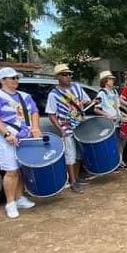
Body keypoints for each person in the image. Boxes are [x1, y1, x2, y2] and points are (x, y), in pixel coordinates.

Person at [0, 67, 40, 218]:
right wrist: (6, 133)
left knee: (20, 169)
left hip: (23, 138)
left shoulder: (25, 96)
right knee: (11, 171)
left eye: (17, 77)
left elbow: (34, 111)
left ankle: (20, 197)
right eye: (12, 78)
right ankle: (10, 203)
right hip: (4, 140)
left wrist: (35, 127)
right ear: (2, 80)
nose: (16, 80)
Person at [46, 64, 92, 193]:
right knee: (70, 155)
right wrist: (60, 129)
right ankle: (72, 182)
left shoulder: (77, 87)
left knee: (78, 155)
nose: (68, 77)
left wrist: (86, 103)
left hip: (81, 125)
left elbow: (87, 101)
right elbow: (51, 114)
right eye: (65, 74)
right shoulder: (54, 95)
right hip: (67, 127)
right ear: (58, 77)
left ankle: (76, 178)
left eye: (69, 74)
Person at [94, 70, 127, 170]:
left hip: (119, 121)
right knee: (113, 143)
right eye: (110, 79)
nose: (113, 80)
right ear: (105, 80)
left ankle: (120, 160)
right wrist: (107, 115)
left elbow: (117, 106)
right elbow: (96, 109)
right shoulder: (101, 93)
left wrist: (123, 114)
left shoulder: (114, 91)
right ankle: (114, 163)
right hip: (110, 123)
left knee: (122, 141)